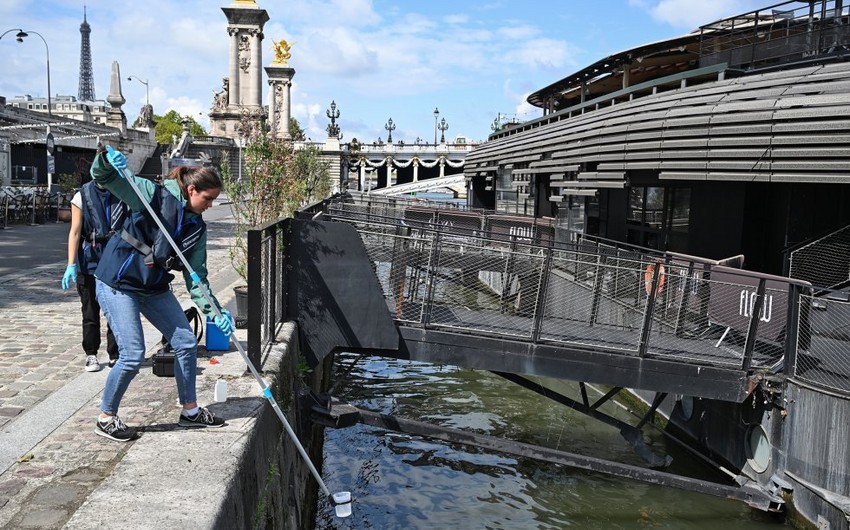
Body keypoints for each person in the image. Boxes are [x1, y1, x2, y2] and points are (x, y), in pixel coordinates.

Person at [90, 145, 233, 442]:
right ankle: (106, 417)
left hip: (153, 287)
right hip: (119, 282)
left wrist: (215, 314)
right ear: (192, 190)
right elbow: (103, 177)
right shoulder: (151, 194)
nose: (211, 205)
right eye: (209, 199)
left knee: (185, 341)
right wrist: (105, 159)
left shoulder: (197, 227)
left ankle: (190, 411)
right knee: (131, 354)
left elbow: (198, 280)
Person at [61, 181, 128, 372]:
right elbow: (74, 232)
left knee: (115, 310)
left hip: (115, 260)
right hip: (89, 260)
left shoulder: (122, 191)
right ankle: (91, 354)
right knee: (90, 311)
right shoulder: (81, 196)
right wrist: (71, 264)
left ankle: (115, 354)